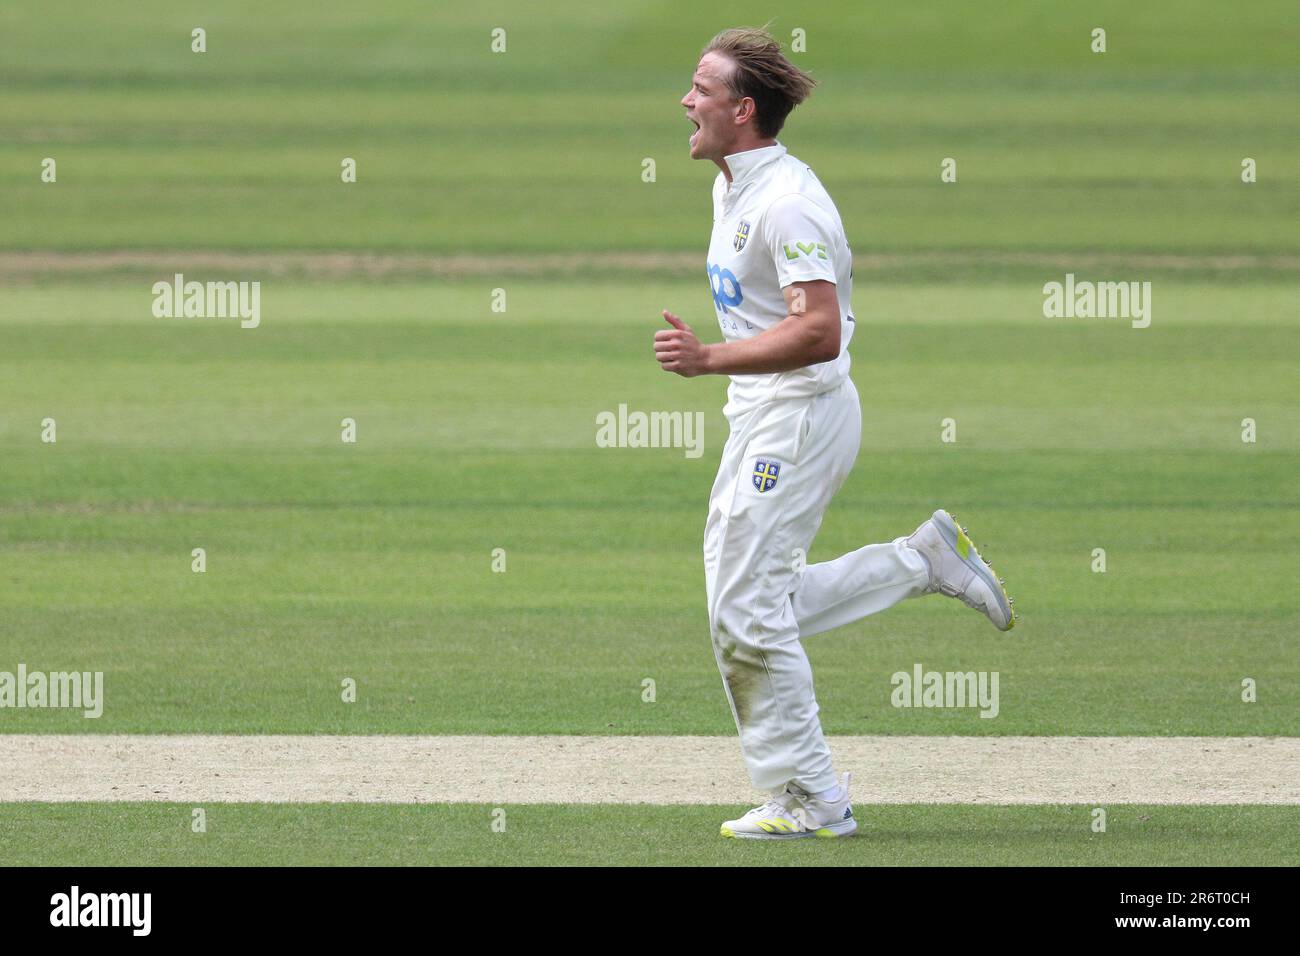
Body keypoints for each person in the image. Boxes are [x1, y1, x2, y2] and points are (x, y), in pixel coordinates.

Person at [654, 27, 1017, 840]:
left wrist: (710, 358)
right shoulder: (734, 187)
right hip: (762, 412)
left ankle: (812, 798)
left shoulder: (787, 203)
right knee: (747, 605)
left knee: (745, 613)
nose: (686, 101)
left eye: (701, 90)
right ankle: (919, 560)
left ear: (742, 110)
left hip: (800, 413)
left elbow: (820, 330)